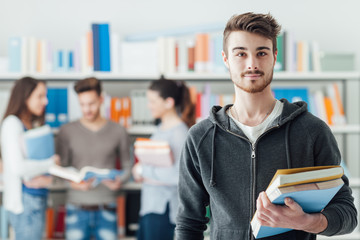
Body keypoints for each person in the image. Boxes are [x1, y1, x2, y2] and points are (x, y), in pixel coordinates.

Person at [176, 12, 357, 240]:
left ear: (274, 56)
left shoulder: (312, 131)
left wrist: (307, 222)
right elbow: (188, 224)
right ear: (225, 59)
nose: (252, 64)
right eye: (241, 53)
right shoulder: (200, 137)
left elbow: (347, 213)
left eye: (261, 53)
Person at [56, 77, 131, 240]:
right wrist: (73, 184)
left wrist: (120, 180)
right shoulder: (66, 131)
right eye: (82, 104)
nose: (86, 109)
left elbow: (127, 165)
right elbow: (60, 170)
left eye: (91, 104)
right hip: (76, 207)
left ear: (101, 99)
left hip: (107, 207)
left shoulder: (118, 131)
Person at [132, 78, 195, 240]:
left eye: (153, 101)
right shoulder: (160, 129)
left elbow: (179, 177)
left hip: (164, 211)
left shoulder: (180, 133)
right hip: (150, 207)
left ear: (169, 102)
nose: (149, 105)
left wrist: (143, 170)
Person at [1, 77, 59, 240]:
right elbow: (18, 167)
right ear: (25, 97)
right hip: (25, 202)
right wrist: (50, 164)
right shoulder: (12, 124)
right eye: (40, 96)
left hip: (37, 197)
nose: (45, 101)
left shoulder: (30, 124)